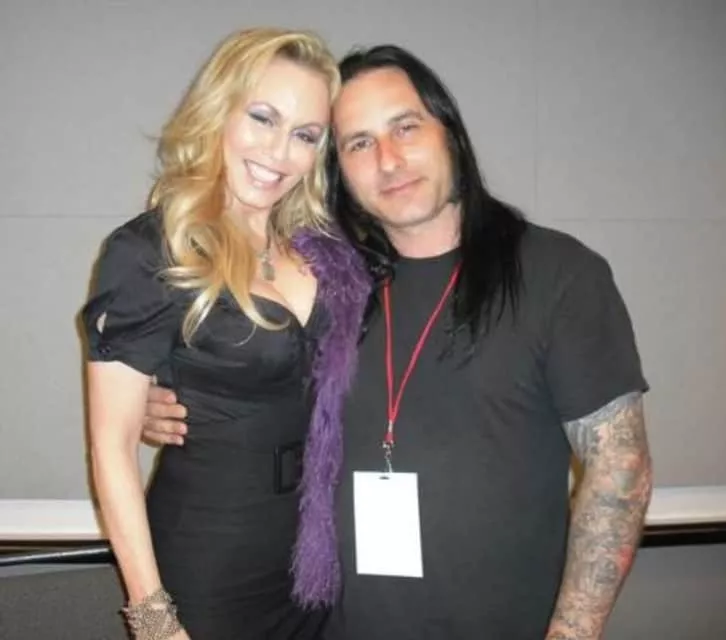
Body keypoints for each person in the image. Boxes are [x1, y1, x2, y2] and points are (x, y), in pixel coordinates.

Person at [142, 44, 654, 639]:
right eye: (359, 143)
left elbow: (621, 469)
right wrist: (179, 400)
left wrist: (573, 633)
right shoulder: (325, 284)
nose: (388, 160)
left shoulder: (557, 274)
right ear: (337, 168)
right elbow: (259, 388)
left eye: (406, 127)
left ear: (449, 134)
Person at [81, 28, 370, 640]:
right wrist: (154, 621)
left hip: (321, 562)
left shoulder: (329, 253)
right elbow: (112, 449)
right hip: (210, 566)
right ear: (220, 108)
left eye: (305, 135)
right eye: (263, 118)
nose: (279, 152)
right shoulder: (150, 250)